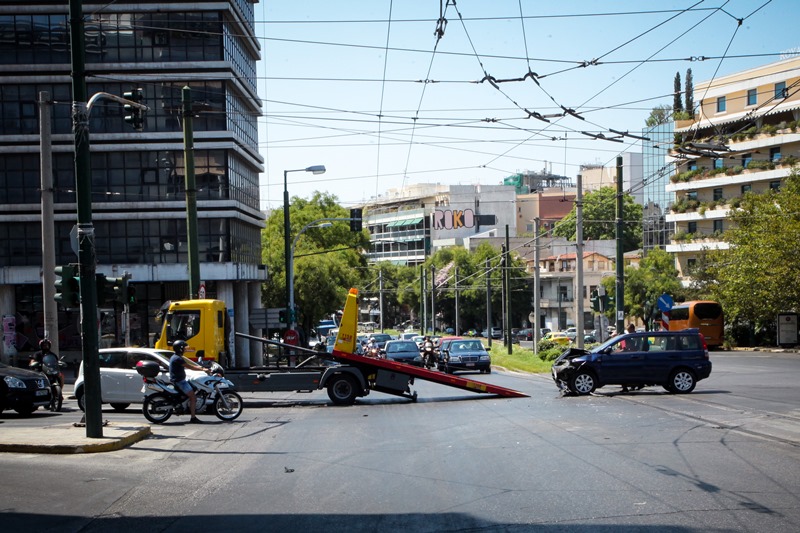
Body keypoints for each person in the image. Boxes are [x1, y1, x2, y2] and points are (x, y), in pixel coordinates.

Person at [169, 340, 203, 423]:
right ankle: (193, 417)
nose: (185, 349)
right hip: (180, 381)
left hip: (179, 380)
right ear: (180, 349)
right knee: (193, 397)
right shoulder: (178, 358)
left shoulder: (176, 357)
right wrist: (203, 368)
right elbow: (190, 367)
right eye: (184, 348)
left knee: (194, 387)